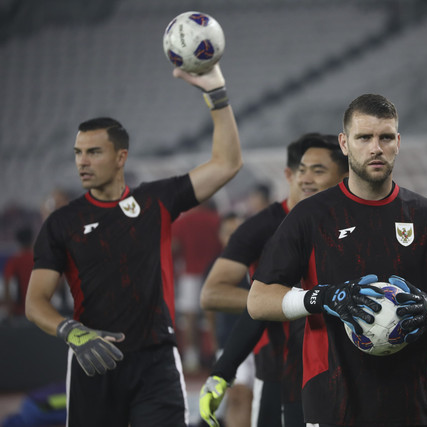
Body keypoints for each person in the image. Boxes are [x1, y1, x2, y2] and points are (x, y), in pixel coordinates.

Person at [24, 63, 242, 427]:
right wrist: (71, 332)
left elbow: (227, 163)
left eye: (94, 152)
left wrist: (217, 93)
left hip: (155, 361)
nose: (82, 161)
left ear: (121, 157)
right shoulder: (61, 223)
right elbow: (35, 302)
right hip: (91, 360)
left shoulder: (156, 201)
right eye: (78, 152)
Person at [246, 94, 427, 426]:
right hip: (330, 402)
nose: (376, 148)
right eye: (364, 137)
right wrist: (324, 297)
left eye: (385, 137)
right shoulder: (310, 216)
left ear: (398, 143)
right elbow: (258, 300)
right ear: (344, 143)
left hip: (410, 404)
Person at [199, 133, 349, 427]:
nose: (306, 178)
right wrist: (284, 303)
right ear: (289, 174)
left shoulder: (364, 226)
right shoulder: (276, 230)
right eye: (302, 170)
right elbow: (215, 295)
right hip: (283, 364)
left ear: (344, 177)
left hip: (354, 370)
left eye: (317, 170)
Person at [172, 201, 223, 372]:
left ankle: (191, 357)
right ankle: (217, 353)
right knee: (215, 315)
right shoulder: (217, 220)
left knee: (190, 317)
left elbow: (174, 247)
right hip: (215, 272)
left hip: (190, 273)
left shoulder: (184, 221)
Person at [2, 226, 34, 319]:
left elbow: (7, 284)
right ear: (32, 239)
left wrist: (9, 306)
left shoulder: (15, 261)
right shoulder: (39, 259)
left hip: (20, 310)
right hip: (39, 309)